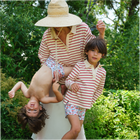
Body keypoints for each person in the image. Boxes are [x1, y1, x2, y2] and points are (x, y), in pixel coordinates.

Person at [31, 0, 106, 139]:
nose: (54, 26)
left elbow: (95, 49)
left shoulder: (82, 29)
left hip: (75, 85)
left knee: (74, 128)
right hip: (54, 83)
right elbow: (43, 60)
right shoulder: (47, 35)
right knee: (50, 123)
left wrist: (101, 34)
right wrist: (55, 81)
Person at [61, 37, 107, 140]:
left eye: (99, 52)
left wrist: (90, 102)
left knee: (76, 133)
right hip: (72, 101)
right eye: (93, 50)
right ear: (86, 51)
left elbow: (99, 90)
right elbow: (68, 81)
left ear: (102, 55)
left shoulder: (102, 72)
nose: (95, 54)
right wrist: (72, 85)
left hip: (83, 106)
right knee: (75, 129)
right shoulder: (79, 66)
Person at [8, 60, 71, 133]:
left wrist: (13, 90)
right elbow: (59, 99)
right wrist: (55, 90)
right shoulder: (43, 99)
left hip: (47, 63)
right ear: (40, 108)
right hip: (56, 71)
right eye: (35, 110)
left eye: (29, 110)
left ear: (25, 107)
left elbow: (20, 83)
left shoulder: (27, 94)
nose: (31, 108)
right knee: (77, 67)